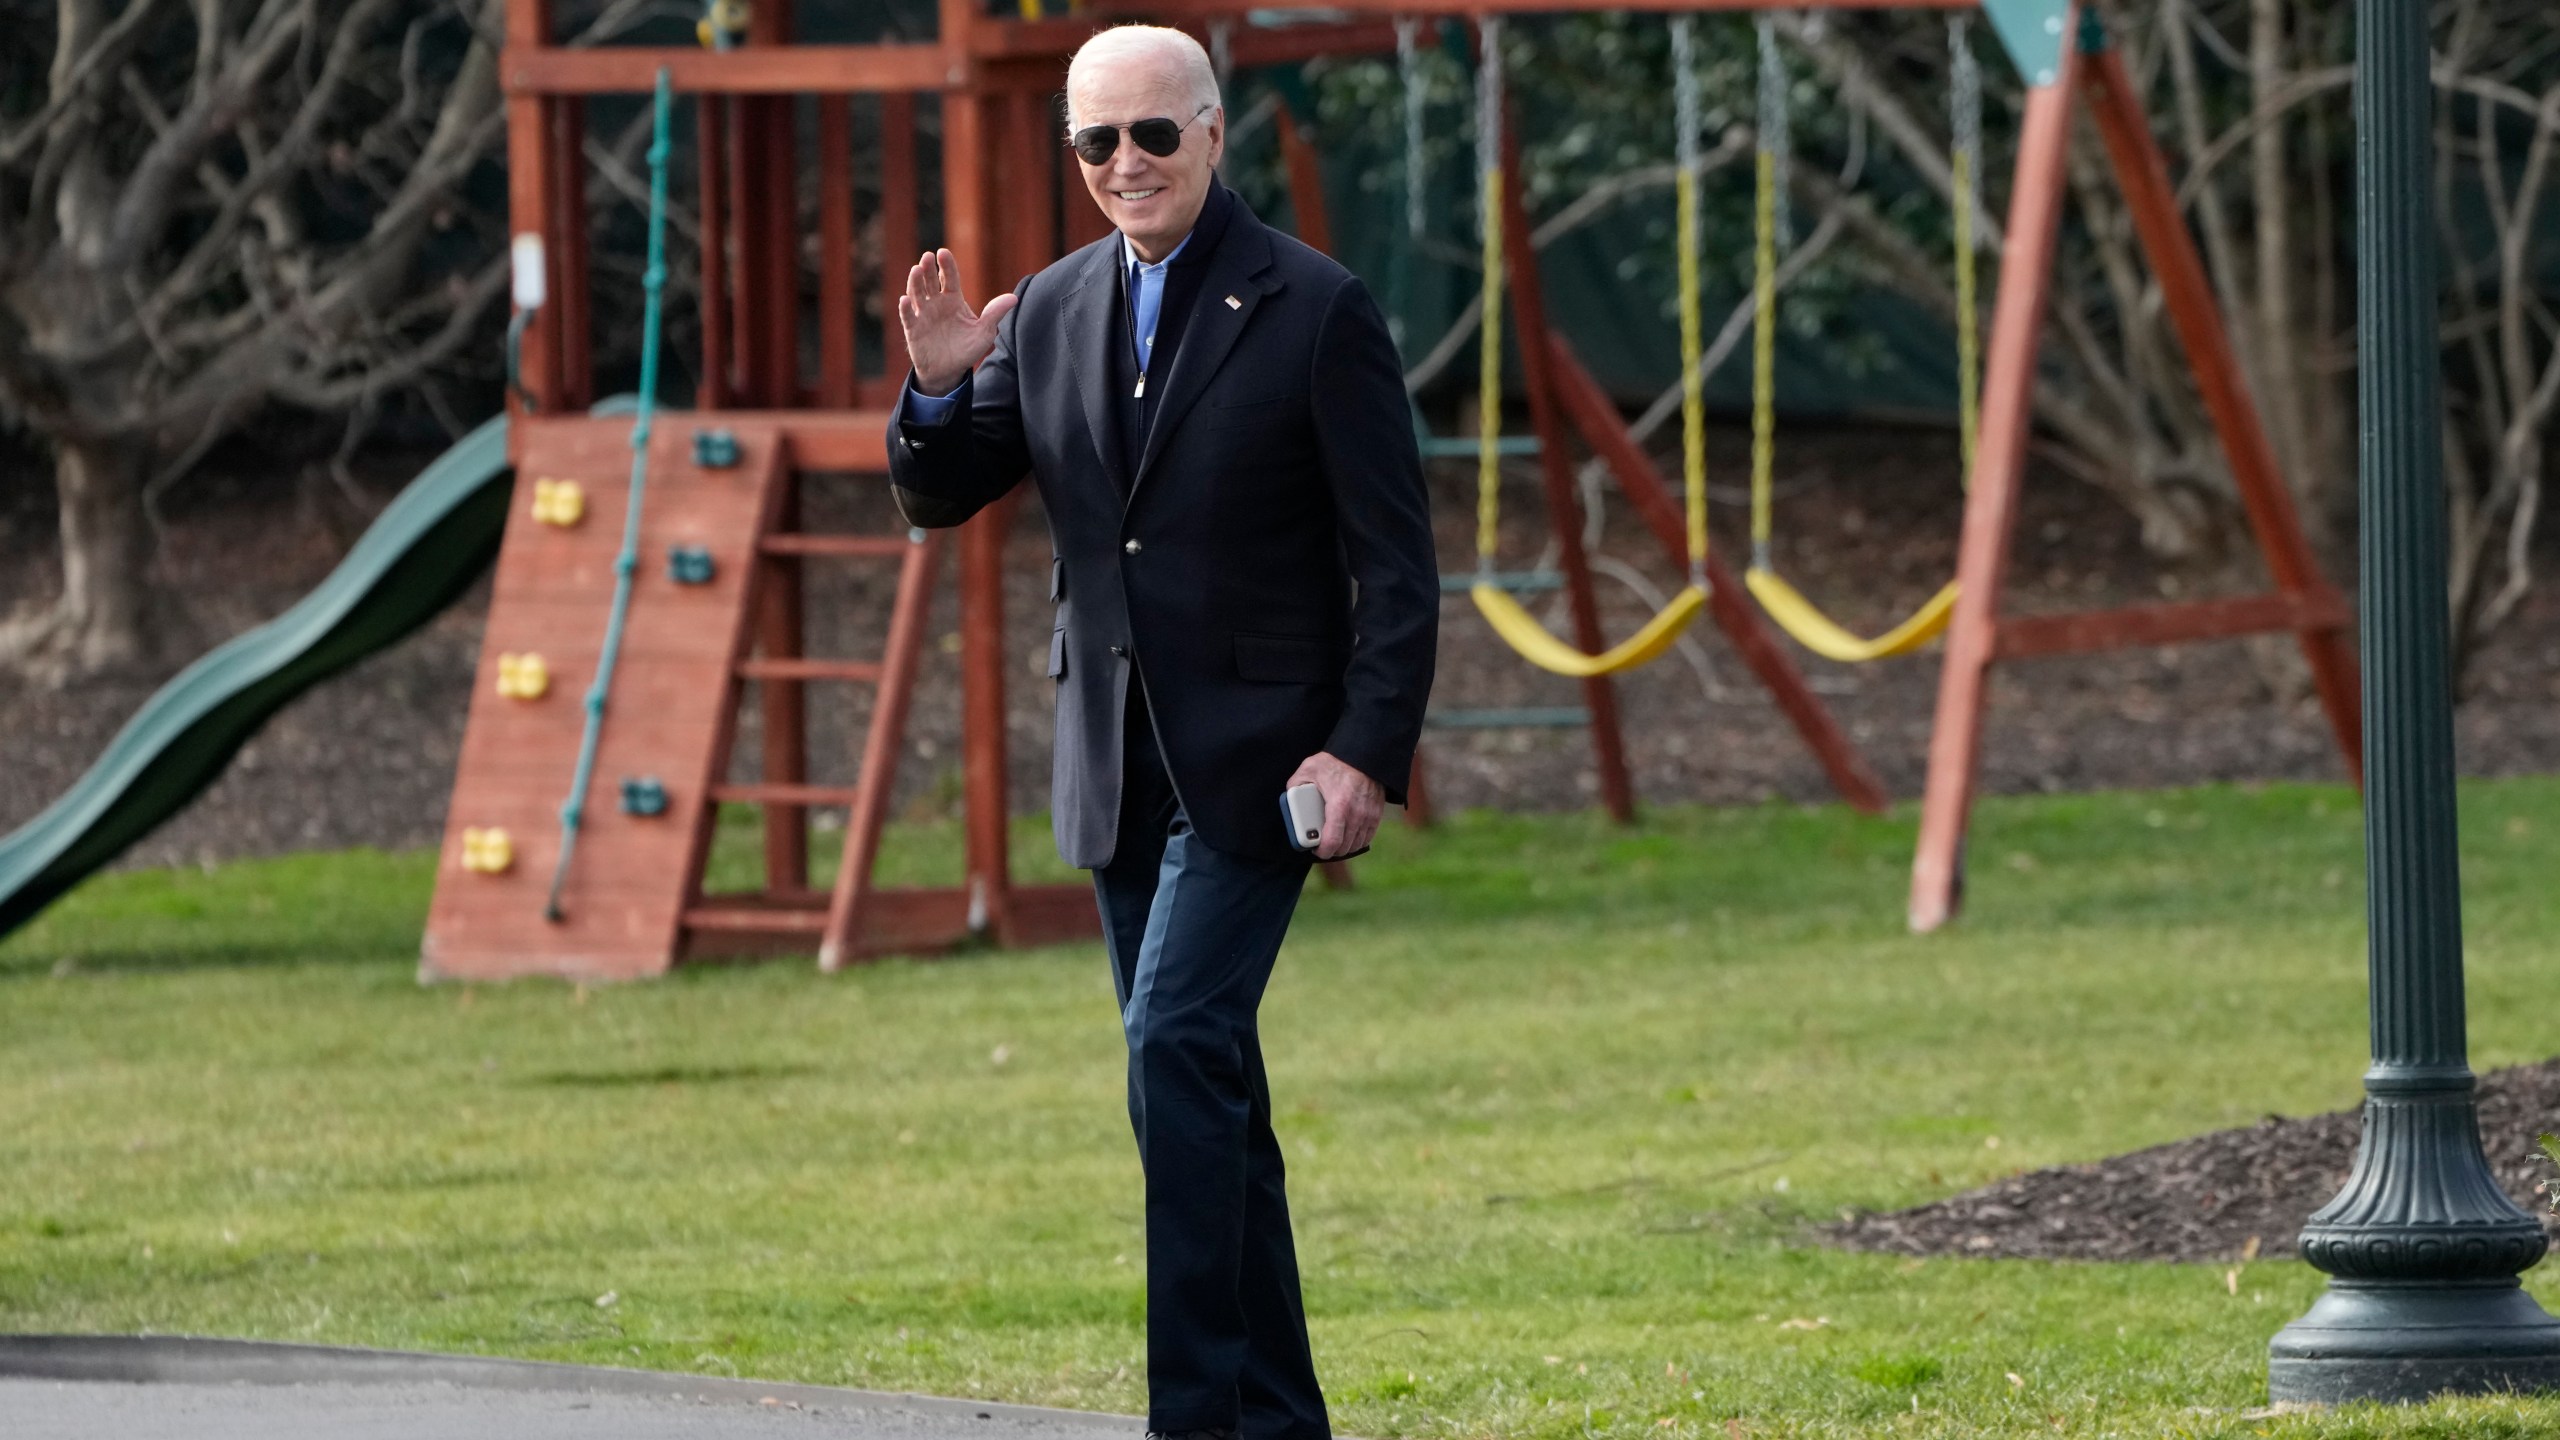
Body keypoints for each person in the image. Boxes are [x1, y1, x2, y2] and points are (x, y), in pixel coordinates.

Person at [884, 23, 1436, 1440]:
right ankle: (1274, 1419)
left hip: (1267, 761)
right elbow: (945, 495)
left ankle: (1195, 1415)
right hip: (1113, 758)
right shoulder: (1054, 309)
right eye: (1095, 143)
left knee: (1175, 1044)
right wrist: (942, 388)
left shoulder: (1315, 308)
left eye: (1151, 136)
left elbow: (1397, 560)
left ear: (1211, 134)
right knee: (1205, 1086)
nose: (1124, 164)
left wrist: (1366, 747)